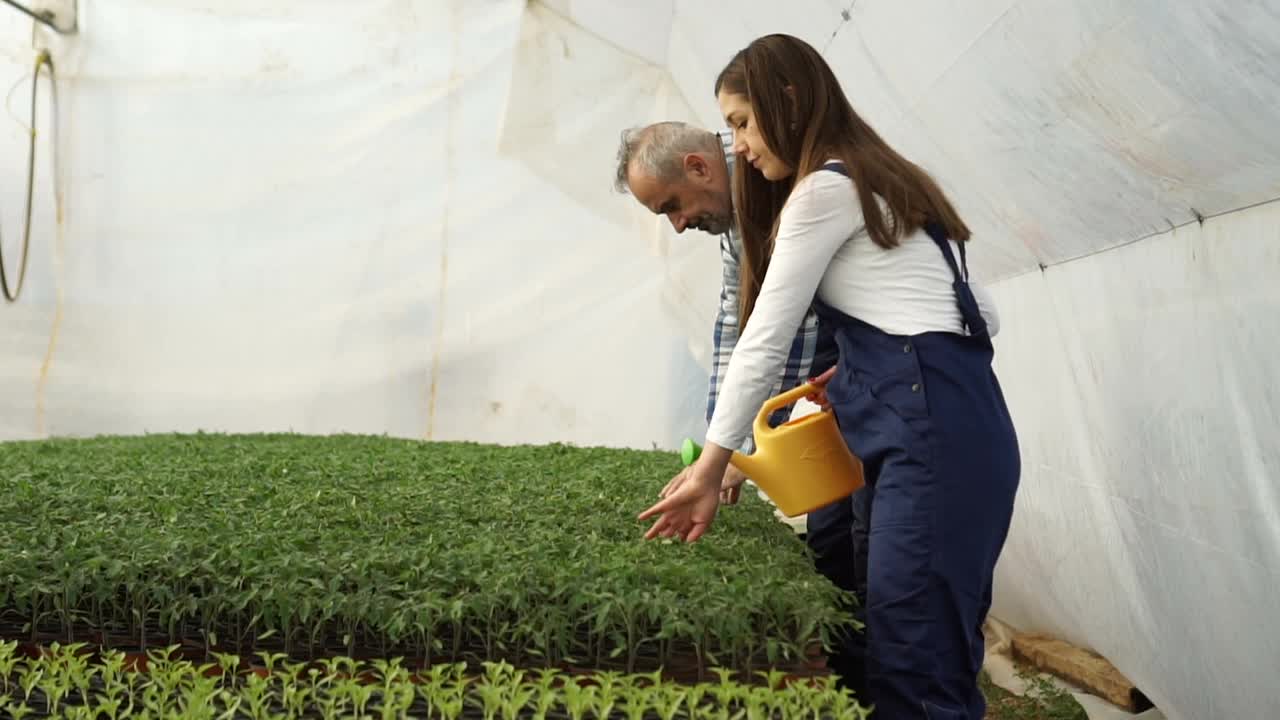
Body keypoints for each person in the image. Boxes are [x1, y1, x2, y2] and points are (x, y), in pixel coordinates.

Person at [637, 34, 1020, 720]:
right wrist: (869, 363)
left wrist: (713, 463)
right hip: (956, 416)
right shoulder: (883, 174)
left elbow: (763, 338)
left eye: (742, 123)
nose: (742, 146)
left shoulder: (821, 193)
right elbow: (978, 314)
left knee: (912, 658)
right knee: (923, 645)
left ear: (788, 102)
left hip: (924, 425)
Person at [613, 122, 871, 694]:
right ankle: (851, 687)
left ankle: (870, 688)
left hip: (871, 378)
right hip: (836, 385)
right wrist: (720, 446)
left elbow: (784, 335)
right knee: (835, 545)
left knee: (870, 555)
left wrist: (731, 454)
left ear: (700, 168)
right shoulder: (734, 218)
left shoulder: (779, 180)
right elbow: (735, 325)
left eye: (672, 207)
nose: (679, 225)